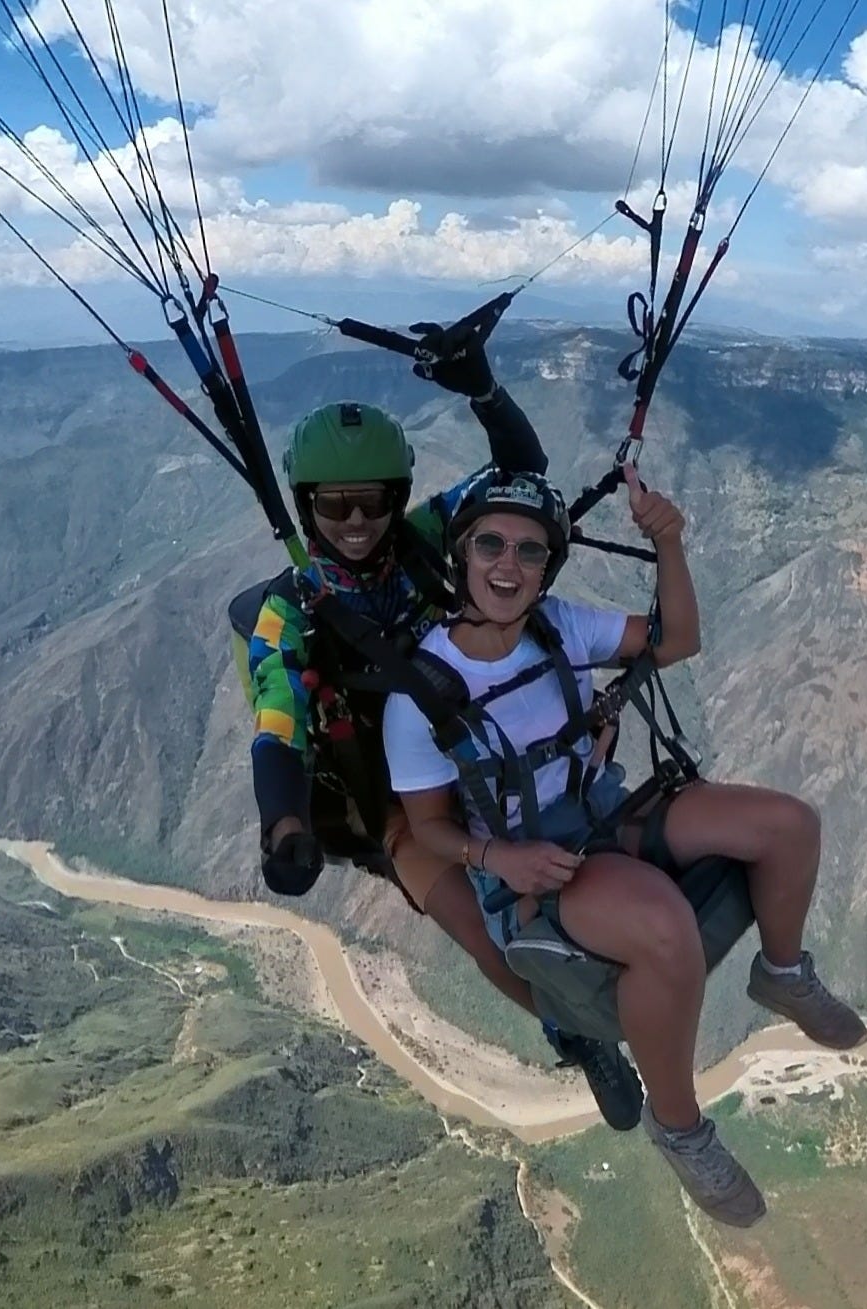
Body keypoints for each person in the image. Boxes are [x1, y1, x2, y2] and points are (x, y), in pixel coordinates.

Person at [378, 468, 867, 1229]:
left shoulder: (560, 628)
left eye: (531, 552)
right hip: (535, 867)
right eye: (491, 544)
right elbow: (427, 825)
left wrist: (667, 540)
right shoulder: (423, 693)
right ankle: (680, 1127)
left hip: (606, 812)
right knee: (664, 926)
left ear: (548, 568)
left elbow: (678, 640)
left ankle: (783, 973)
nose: (509, 565)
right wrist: (496, 859)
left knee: (788, 826)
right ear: (462, 554)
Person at [226, 319, 653, 1131]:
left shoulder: (427, 540)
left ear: (398, 496)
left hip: (494, 751)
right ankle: (573, 1029)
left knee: (602, 851)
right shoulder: (286, 617)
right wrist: (283, 824)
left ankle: (651, 971)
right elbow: (278, 727)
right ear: (307, 507)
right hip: (393, 805)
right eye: (336, 505)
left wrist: (483, 389)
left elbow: (521, 477)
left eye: (375, 500)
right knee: (485, 935)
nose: (358, 521)